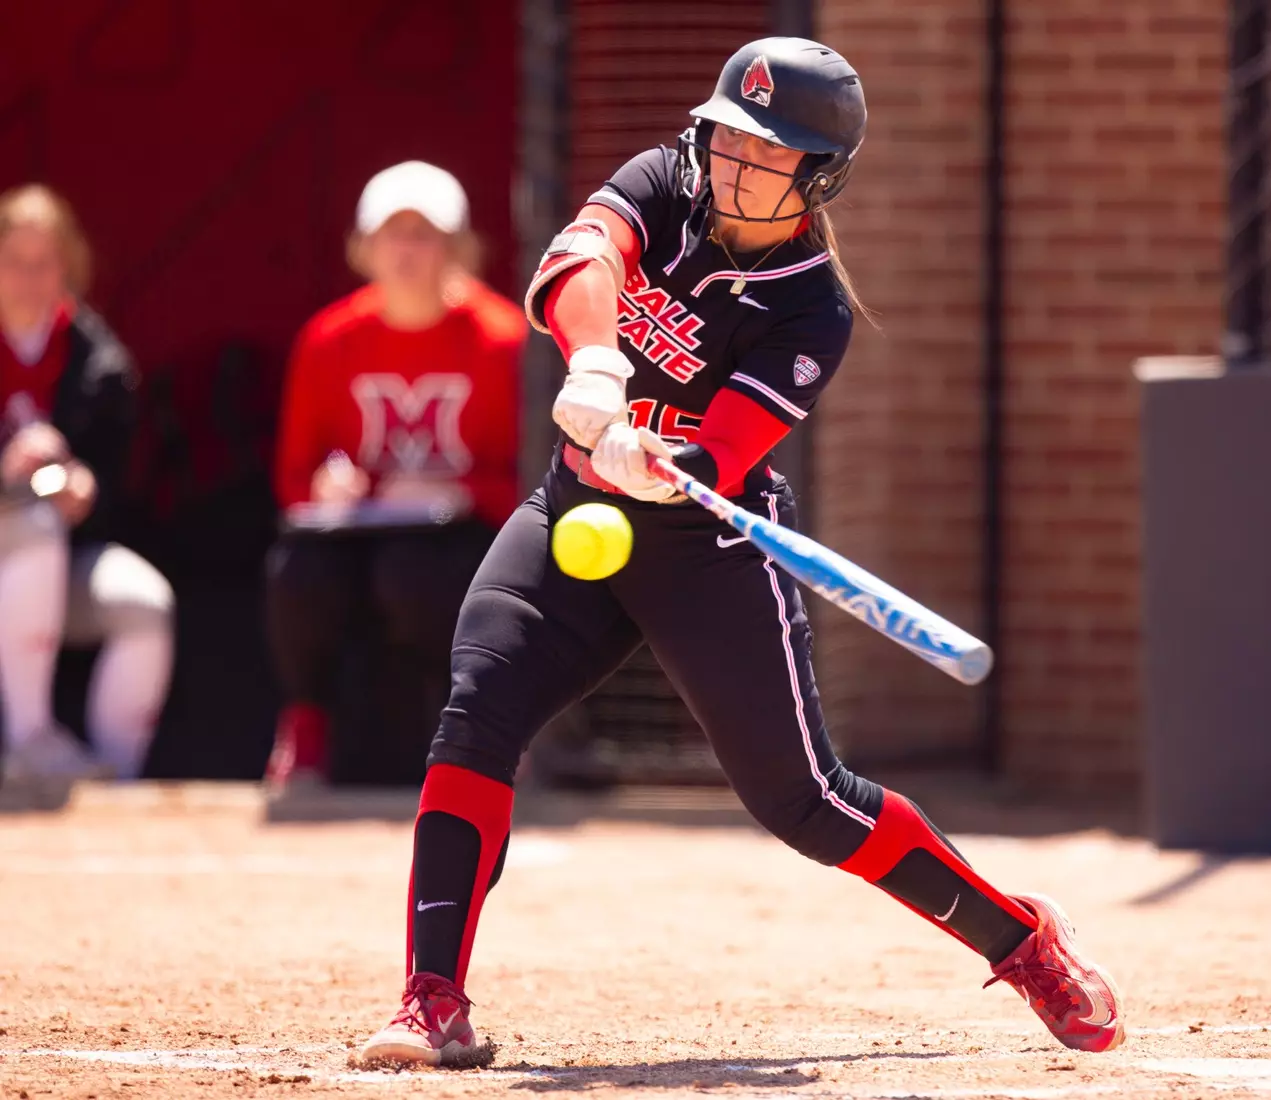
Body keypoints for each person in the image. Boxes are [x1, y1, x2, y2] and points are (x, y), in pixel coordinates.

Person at [359, 39, 1125, 1065]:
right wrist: (596, 367)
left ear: (817, 176)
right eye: (729, 136)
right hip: (572, 505)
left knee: (805, 802)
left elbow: (724, 450)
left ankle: (1020, 937)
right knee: (474, 714)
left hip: (706, 543)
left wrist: (660, 454)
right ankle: (432, 998)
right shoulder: (661, 182)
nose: (732, 161)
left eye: (766, 153)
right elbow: (576, 262)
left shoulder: (812, 308)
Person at [265, 162, 525, 790]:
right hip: (358, 532)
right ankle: (306, 731)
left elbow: (536, 479)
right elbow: (293, 477)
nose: (406, 252)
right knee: (298, 573)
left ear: (457, 249)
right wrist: (330, 483)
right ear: (364, 248)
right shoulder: (327, 340)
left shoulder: (504, 340)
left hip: (465, 536)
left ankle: (465, 741)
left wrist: (460, 492)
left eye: (424, 235)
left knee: (413, 577)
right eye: (392, 235)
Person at [0, 185, 175, 783]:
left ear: (66, 268)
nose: (27, 279)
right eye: (13, 263)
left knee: (144, 605)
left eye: (42, 263)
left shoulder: (99, 361)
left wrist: (84, 489)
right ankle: (28, 737)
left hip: (50, 568)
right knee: (29, 520)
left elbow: (117, 495)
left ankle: (113, 784)